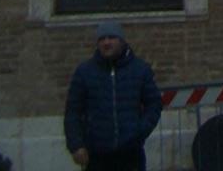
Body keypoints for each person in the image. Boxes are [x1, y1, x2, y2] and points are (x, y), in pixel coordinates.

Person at [64, 20, 162, 171]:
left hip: (131, 154)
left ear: (121, 41)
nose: (106, 42)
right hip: (97, 155)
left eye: (111, 37)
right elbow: (73, 111)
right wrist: (76, 145)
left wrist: (140, 131)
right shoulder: (84, 72)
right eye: (102, 39)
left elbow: (154, 104)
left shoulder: (140, 70)